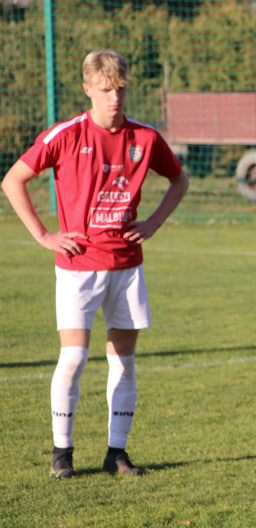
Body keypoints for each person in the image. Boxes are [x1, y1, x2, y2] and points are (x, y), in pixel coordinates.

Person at [1, 49, 189, 479]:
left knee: (124, 362)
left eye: (120, 89)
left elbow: (179, 179)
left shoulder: (145, 138)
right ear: (88, 90)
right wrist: (45, 236)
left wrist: (155, 223)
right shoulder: (66, 135)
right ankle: (62, 452)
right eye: (105, 90)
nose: (115, 98)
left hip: (127, 266)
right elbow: (13, 180)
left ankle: (116, 454)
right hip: (78, 267)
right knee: (74, 359)